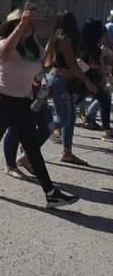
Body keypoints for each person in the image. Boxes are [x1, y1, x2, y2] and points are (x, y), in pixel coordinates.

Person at [0, 8, 78, 208]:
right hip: (0, 100)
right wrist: (21, 24)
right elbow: (7, 48)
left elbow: (44, 64)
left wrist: (51, 41)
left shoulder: (33, 47)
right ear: (12, 27)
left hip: (22, 101)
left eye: (29, 25)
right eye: (22, 25)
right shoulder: (3, 45)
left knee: (32, 147)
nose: (27, 29)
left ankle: (51, 193)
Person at [44, 11, 96, 165]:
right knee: (62, 119)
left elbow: (48, 59)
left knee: (70, 118)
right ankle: (29, 143)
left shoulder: (55, 36)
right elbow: (72, 64)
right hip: (61, 81)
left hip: (61, 80)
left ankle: (67, 152)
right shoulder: (64, 38)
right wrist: (87, 81)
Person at [79, 19, 112, 139]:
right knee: (70, 109)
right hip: (82, 81)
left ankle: (107, 130)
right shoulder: (85, 49)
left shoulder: (93, 47)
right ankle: (54, 125)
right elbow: (85, 66)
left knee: (105, 99)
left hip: (91, 81)